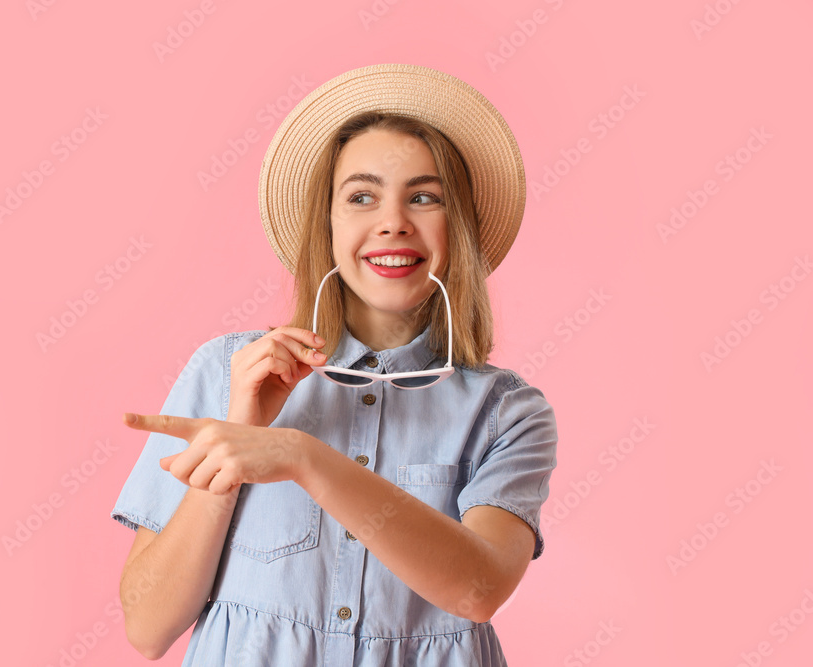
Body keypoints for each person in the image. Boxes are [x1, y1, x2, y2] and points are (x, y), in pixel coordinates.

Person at [111, 63, 558, 666]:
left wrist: (302, 455)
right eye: (361, 196)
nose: (392, 220)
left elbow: (477, 592)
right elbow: (146, 627)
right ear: (327, 222)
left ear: (460, 230)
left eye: (424, 197)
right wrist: (236, 454)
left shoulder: (507, 413)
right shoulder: (225, 371)